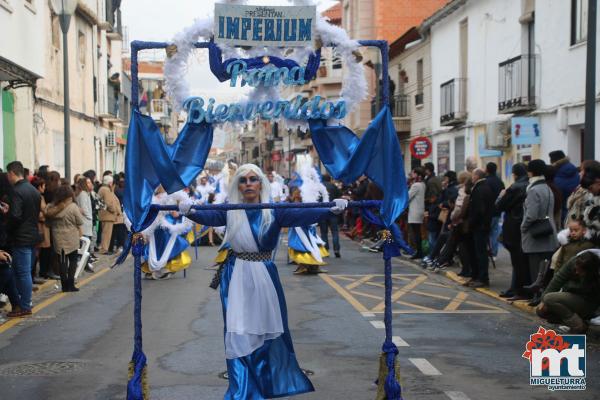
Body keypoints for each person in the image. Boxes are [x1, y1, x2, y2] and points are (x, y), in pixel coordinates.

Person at [180, 164, 347, 399]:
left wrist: (331, 209)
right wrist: (191, 211)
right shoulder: (230, 210)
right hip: (235, 276)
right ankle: (241, 391)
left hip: (265, 276)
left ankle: (266, 385)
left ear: (261, 184)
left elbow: (304, 213)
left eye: (253, 179)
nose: (248, 184)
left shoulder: (274, 210)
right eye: (243, 180)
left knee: (266, 332)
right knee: (237, 333)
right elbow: (208, 214)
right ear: (237, 185)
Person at [521, 159, 559, 306]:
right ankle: (541, 295)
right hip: (548, 231)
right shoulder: (547, 188)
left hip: (535, 234)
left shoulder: (533, 190)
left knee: (535, 268)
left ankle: (537, 296)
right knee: (544, 268)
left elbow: (531, 215)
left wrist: (523, 227)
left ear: (531, 172)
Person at [536, 250, 600, 334]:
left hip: (589, 302)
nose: (576, 272)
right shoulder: (574, 262)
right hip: (573, 296)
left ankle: (578, 325)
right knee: (542, 309)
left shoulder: (596, 272)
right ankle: (579, 323)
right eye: (576, 270)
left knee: (549, 298)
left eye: (580, 271)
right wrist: (542, 301)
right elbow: (558, 280)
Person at [6, 161, 40, 314]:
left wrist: (8, 227)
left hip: (20, 237)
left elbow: (16, 216)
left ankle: (25, 305)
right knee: (24, 271)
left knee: (22, 272)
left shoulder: (16, 191)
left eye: (8, 174)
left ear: (12, 173)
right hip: (32, 235)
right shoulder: (33, 190)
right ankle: (24, 303)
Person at [495, 163, 530, 301]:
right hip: (522, 225)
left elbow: (499, 206)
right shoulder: (529, 185)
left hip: (513, 226)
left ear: (514, 174)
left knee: (517, 261)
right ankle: (515, 288)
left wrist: (501, 196)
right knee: (521, 260)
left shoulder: (515, 187)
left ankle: (518, 289)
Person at [45, 185, 83, 292]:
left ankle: (64, 286)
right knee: (73, 261)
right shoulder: (73, 207)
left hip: (58, 239)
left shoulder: (52, 207)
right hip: (72, 238)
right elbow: (80, 221)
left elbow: (48, 220)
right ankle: (71, 284)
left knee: (62, 262)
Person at [464, 169, 494, 288]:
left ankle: (482, 278)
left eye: (473, 175)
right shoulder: (484, 187)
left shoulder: (479, 189)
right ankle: (476, 276)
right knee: (477, 252)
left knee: (480, 253)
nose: (471, 178)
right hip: (482, 225)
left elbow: (479, 210)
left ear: (477, 176)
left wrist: (472, 222)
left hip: (479, 226)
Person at [549, 150, 580, 222]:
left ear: (553, 161)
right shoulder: (575, 171)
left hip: (562, 213)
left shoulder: (556, 175)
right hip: (576, 211)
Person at [319, 174, 342, 258]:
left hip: (322, 211)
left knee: (324, 232)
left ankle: (325, 250)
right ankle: (336, 250)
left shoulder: (319, 187)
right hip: (333, 211)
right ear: (329, 179)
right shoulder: (333, 186)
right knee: (335, 232)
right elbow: (339, 195)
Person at [97, 175, 121, 255]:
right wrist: (114, 210)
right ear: (110, 183)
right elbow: (109, 202)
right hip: (107, 215)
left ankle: (104, 249)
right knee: (106, 234)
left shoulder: (102, 189)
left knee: (105, 233)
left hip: (105, 215)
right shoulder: (106, 190)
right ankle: (104, 249)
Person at [485, 162, 505, 258]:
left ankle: (486, 252)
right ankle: (494, 253)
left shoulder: (486, 181)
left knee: (486, 232)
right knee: (494, 232)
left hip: (487, 211)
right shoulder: (500, 182)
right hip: (497, 211)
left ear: (487, 170)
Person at [408, 168, 426, 259]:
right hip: (419, 210)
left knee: (416, 233)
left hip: (414, 211)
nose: (411, 174)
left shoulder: (416, 185)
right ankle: (418, 251)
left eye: (413, 173)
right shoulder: (422, 184)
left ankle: (418, 251)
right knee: (417, 232)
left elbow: (408, 196)